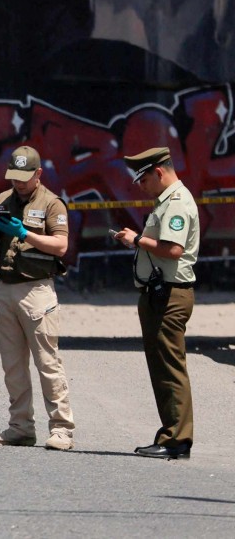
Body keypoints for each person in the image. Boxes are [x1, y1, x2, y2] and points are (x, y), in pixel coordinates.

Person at [0, 146, 76, 451]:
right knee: (12, 365)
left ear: (38, 174)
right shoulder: (1, 201)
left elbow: (61, 246)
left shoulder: (52, 204)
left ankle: (62, 428)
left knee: (48, 362)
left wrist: (25, 234)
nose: (19, 183)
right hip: (5, 287)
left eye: (25, 177)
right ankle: (20, 426)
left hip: (36, 290)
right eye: (14, 177)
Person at [114, 147, 199, 460]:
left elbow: (173, 249)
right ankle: (172, 433)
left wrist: (136, 239)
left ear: (159, 172)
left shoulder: (176, 203)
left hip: (170, 295)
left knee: (169, 367)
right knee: (162, 365)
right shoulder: (167, 202)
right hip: (160, 293)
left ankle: (177, 438)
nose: (140, 185)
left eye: (144, 178)